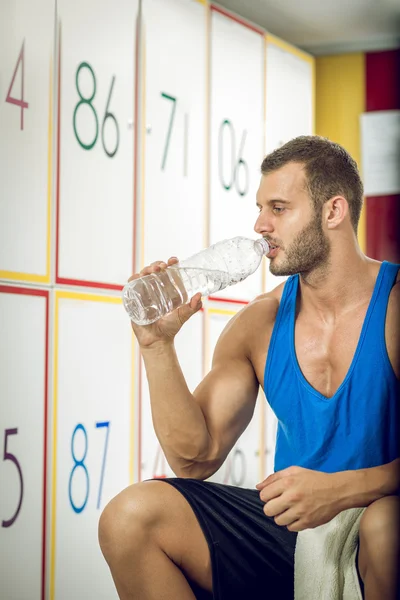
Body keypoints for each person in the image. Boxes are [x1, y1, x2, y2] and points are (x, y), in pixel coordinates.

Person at [98, 136, 400, 600]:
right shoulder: (258, 324)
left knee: (386, 527)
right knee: (129, 517)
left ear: (333, 211)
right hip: (294, 530)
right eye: (260, 208)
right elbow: (194, 458)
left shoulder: (394, 306)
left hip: (380, 521)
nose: (260, 225)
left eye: (278, 208)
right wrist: (157, 346)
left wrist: (343, 490)